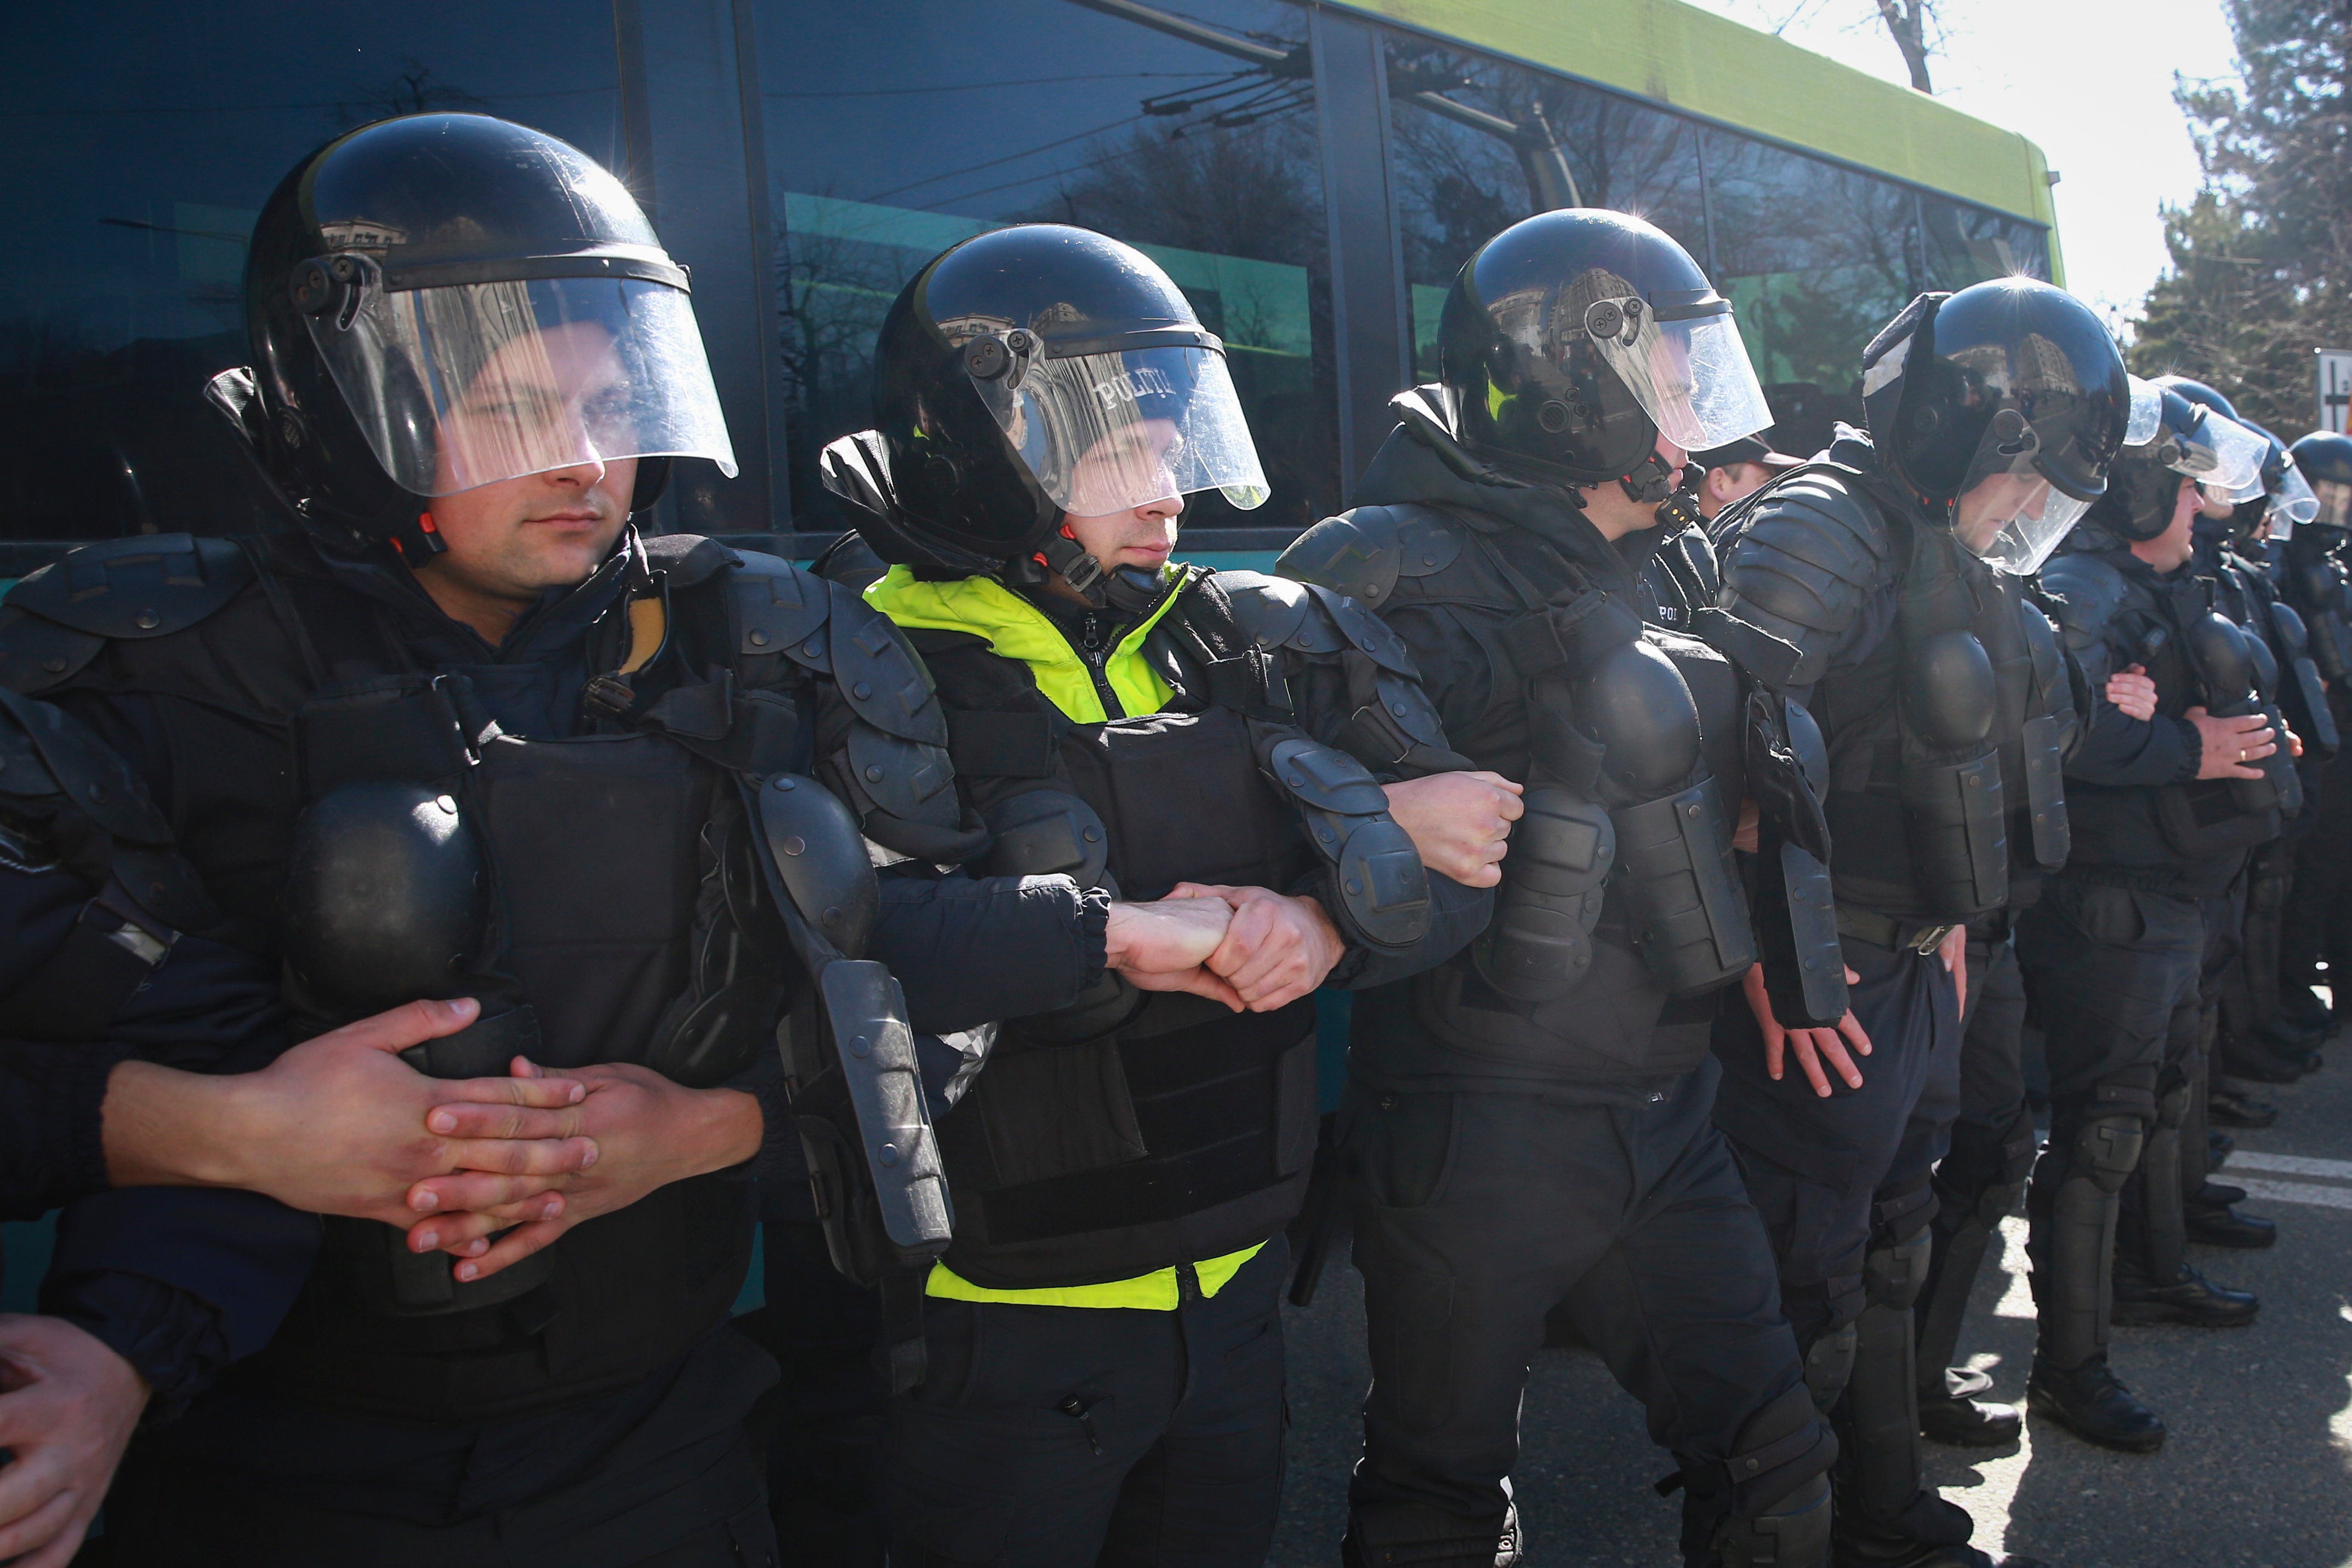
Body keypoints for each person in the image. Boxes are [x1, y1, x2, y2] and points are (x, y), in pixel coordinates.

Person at [0, 114, 1247, 1566]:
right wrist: (118, 1339)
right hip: (263, 1456)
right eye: (517, 407)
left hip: (659, 1441)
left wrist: (697, 1133)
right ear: (342, 399)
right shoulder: (154, 671)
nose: (588, 461)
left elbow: (936, 991)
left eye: (614, 402)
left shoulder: (760, 647)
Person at [823, 220, 1497, 1568]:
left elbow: (1475, 853)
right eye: (1120, 453)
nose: (1171, 495)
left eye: (1174, 444)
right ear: (984, 451)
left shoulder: (1246, 634)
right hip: (1002, 1319)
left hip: (1238, 1297)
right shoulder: (861, 654)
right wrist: (1139, 928)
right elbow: (845, 947)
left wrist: (1313, 923)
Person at [1281, 209, 1838, 1568]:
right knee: (1437, 1495)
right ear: (1575, 389)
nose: (1694, 415)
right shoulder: (1386, 567)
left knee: (1777, 1463)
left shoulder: (1673, 556)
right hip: (1479, 1124)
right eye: (1666, 375)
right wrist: (1384, 816)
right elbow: (1249, 818)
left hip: (1666, 1101)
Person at [1700, 277, 2133, 1567]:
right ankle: (1784, 1526)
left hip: (1919, 960)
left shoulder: (1942, 544)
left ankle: (1875, 1503)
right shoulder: (1820, 529)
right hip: (1820, 974)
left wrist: (1951, 919)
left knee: (1888, 1241)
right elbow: (1708, 762)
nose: (2027, 508)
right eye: (2025, 472)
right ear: (1964, 431)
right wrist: (1770, 955)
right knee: (1807, 1277)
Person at [2023, 381, 2280, 1453]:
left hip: (2170, 890)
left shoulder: (2150, 584)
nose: (2197, 509)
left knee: (2159, 1104)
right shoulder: (2082, 586)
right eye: (2178, 489)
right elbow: (2056, 734)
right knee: (2103, 1129)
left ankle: (2150, 1274)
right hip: (2108, 900)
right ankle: (2070, 1370)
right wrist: (2191, 750)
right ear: (2130, 491)